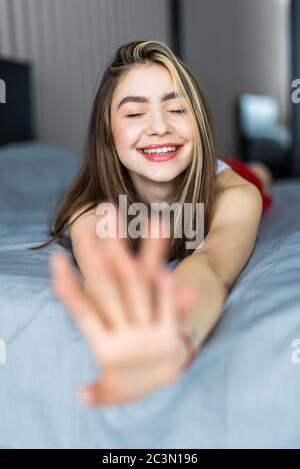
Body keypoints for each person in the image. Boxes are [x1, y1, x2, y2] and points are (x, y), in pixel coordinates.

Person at [31, 40, 272, 407]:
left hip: (224, 173)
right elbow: (103, 272)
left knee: (259, 177)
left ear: (200, 122)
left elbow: (213, 264)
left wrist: (177, 326)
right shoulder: (89, 211)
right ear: (108, 135)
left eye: (177, 109)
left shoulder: (234, 195)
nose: (159, 127)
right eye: (134, 114)